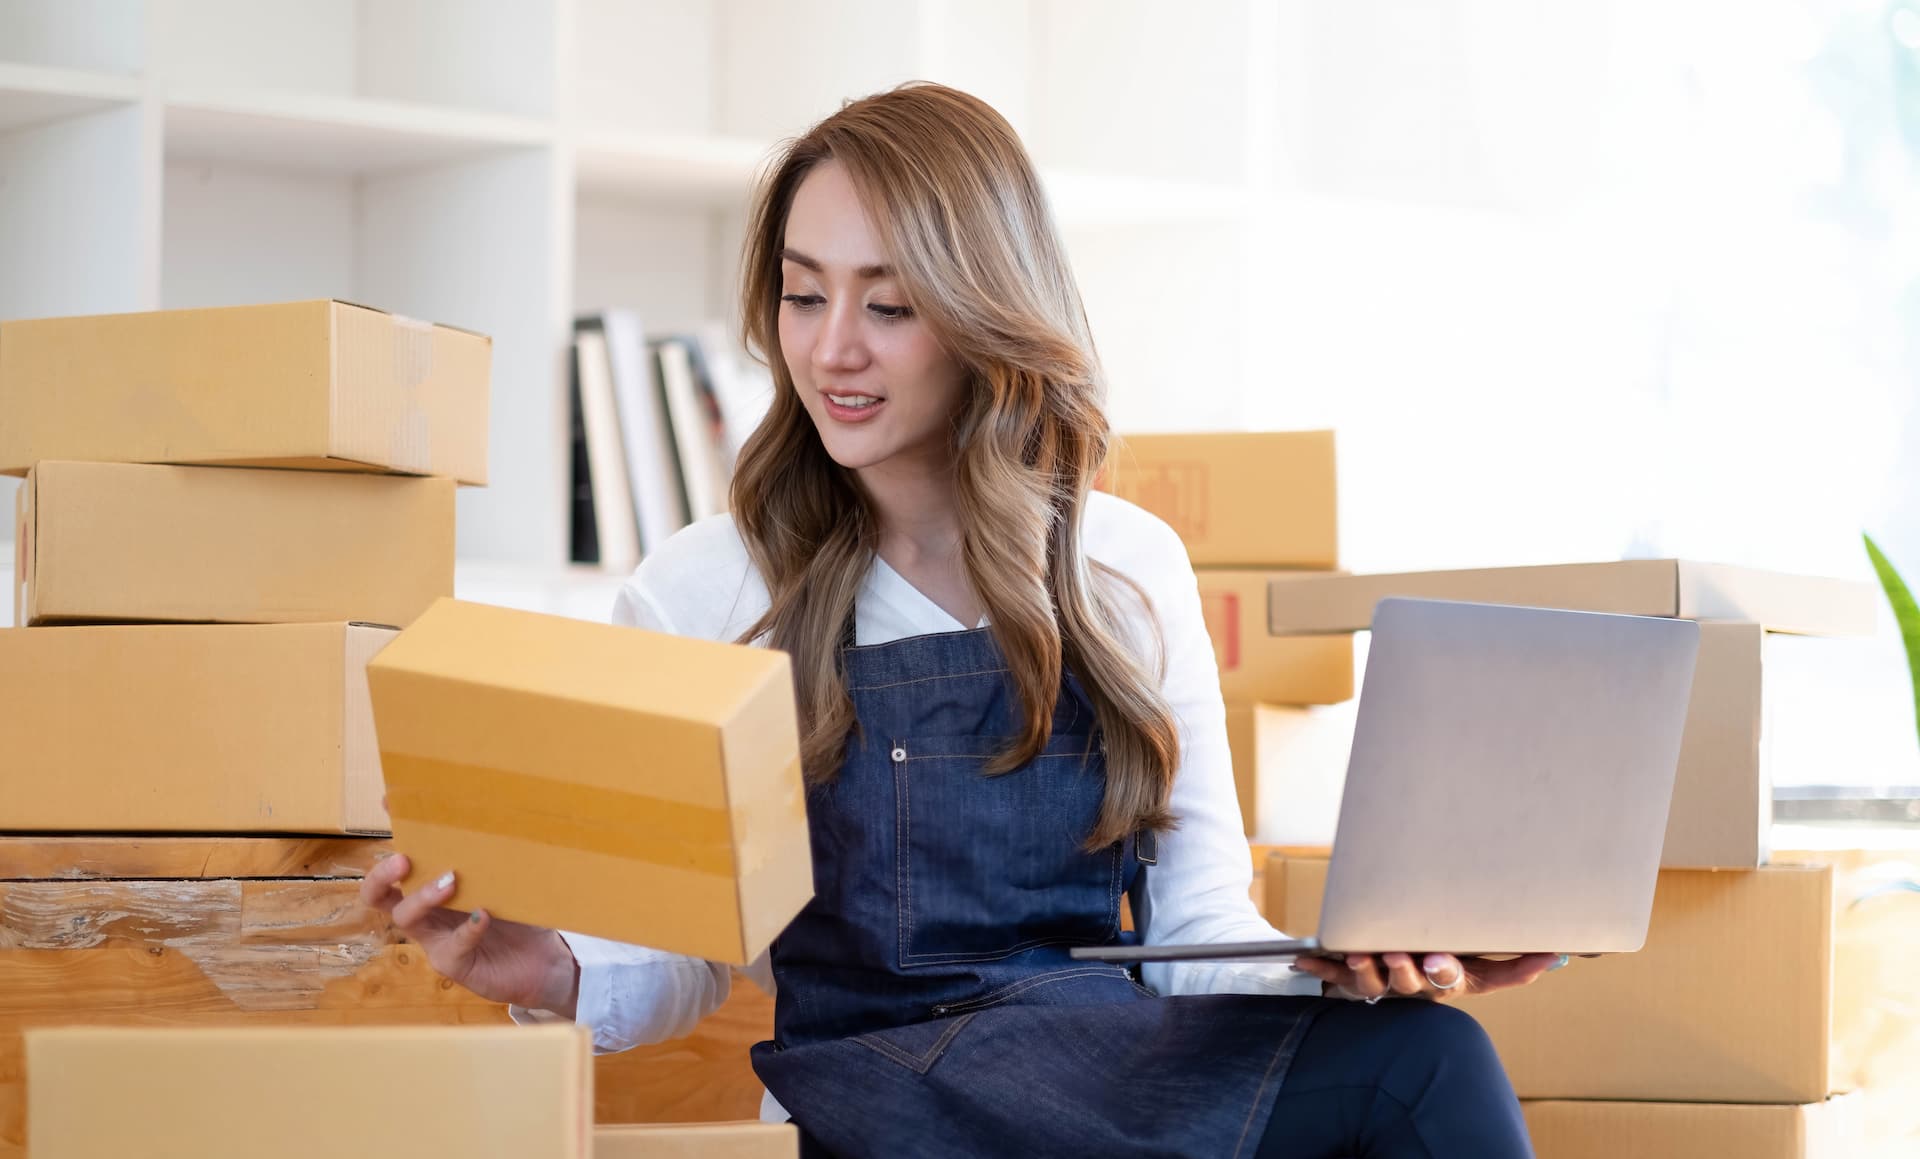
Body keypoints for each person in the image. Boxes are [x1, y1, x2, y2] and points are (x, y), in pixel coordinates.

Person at [362, 81, 1563, 1158]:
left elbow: (1198, 928)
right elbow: (687, 951)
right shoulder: (708, 588)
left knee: (1422, 1057)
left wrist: (1347, 970)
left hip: (1104, 1077)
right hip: (876, 1104)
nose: (831, 350)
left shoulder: (1125, 567)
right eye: (802, 295)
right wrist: (549, 966)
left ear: (984, 312)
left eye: (888, 307)